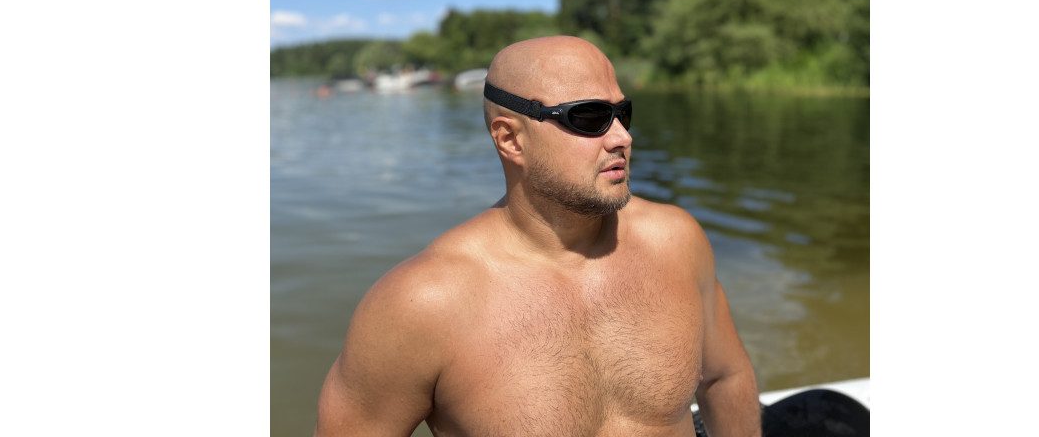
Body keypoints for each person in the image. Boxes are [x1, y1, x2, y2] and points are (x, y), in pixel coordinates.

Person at [314, 36, 762, 437]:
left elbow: (724, 377)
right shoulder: (423, 303)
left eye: (622, 113)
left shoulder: (675, 242)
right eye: (589, 117)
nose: (622, 137)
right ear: (511, 140)